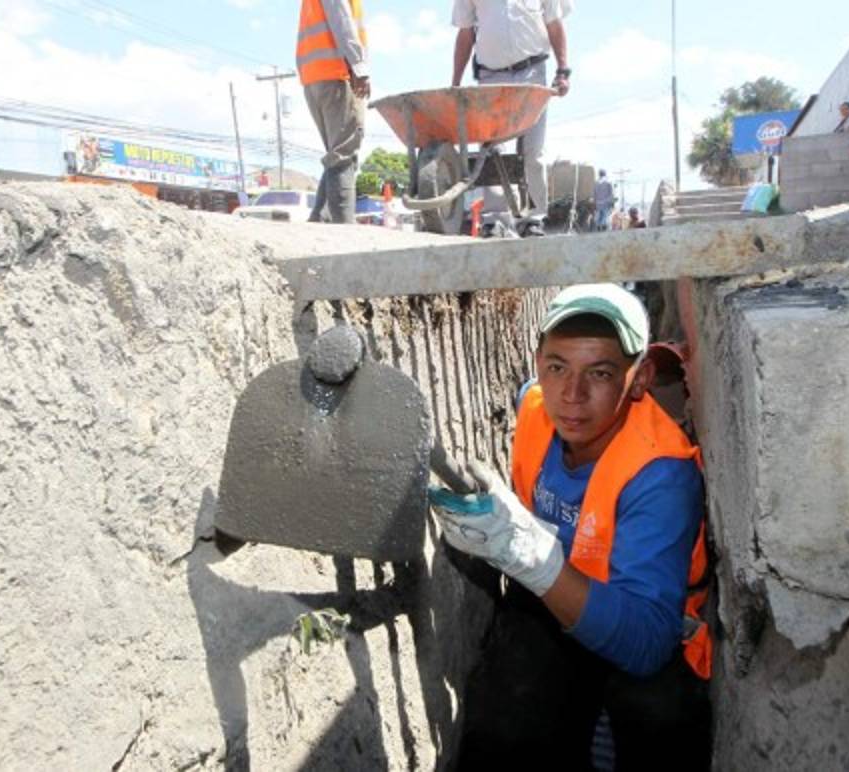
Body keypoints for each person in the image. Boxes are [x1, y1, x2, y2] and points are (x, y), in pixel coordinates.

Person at [430, 284, 712, 769]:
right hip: (553, 600)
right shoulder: (536, 408)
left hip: (640, 619)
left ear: (640, 378)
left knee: (661, 715)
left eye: (600, 373)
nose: (572, 396)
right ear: (538, 362)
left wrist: (531, 560)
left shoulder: (661, 475)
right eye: (557, 367)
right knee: (503, 724)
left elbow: (645, 645)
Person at [451, 0, 572, 238]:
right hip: (490, 76)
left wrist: (563, 70)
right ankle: (495, 220)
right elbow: (465, 33)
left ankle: (533, 219)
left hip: (532, 72)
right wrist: (455, 82)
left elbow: (554, 24)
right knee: (492, 149)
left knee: (533, 150)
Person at [297, 0, 369, 223]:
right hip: (335, 74)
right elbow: (342, 19)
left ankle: (318, 220)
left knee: (336, 154)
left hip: (314, 77)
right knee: (343, 156)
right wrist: (359, 66)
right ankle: (345, 228)